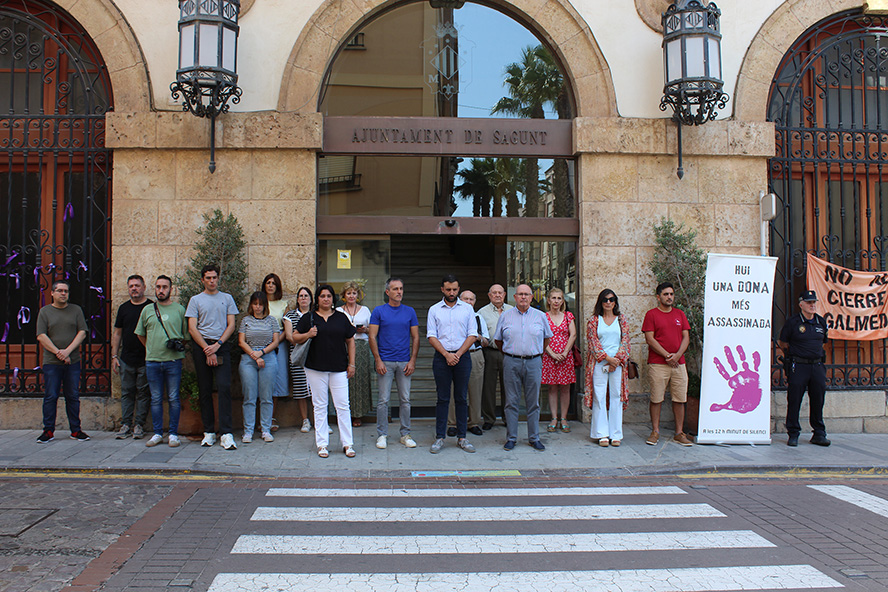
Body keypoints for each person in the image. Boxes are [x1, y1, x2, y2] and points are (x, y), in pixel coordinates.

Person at [293, 284, 357, 458]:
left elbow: (350, 340)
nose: (326, 299)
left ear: (333, 299)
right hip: (315, 368)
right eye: (322, 296)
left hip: (339, 368)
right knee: (320, 406)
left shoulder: (341, 317)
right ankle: (322, 444)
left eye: (329, 296)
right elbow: (294, 337)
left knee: (343, 405)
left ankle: (348, 444)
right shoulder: (309, 317)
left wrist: (352, 364)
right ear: (317, 298)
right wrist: (308, 334)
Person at [186, 264, 239, 450]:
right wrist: (207, 349)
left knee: (224, 387)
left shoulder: (227, 298)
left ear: (218, 278)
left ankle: (226, 433)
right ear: (202, 280)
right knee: (205, 389)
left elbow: (231, 325)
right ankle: (208, 432)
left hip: (221, 345)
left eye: (214, 277)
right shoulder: (195, 300)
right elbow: (192, 327)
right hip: (202, 346)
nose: (211, 281)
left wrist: (217, 346)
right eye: (208, 278)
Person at [495, 283, 553, 451]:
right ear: (514, 297)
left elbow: (547, 338)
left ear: (531, 297)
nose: (523, 297)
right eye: (520, 294)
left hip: (533, 361)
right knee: (511, 401)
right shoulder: (505, 316)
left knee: (533, 402)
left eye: (526, 294)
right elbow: (499, 340)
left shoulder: (540, 316)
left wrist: (534, 352)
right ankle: (511, 438)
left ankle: (534, 438)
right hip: (511, 361)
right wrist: (511, 352)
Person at [135, 275, 189, 448]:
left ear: (171, 289)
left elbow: (185, 336)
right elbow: (140, 334)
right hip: (152, 361)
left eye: (165, 287)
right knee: (156, 398)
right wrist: (151, 348)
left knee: (174, 397)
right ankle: (158, 433)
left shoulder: (179, 309)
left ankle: (173, 433)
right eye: (158, 287)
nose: (161, 290)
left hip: (173, 361)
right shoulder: (147, 310)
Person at [427, 274, 477, 454]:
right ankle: (440, 437)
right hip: (441, 357)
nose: (451, 292)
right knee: (442, 398)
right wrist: (447, 355)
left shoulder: (467, 309)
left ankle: (462, 437)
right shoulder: (434, 309)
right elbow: (431, 336)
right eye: (448, 289)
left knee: (462, 397)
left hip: (462, 357)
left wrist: (457, 354)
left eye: (455, 289)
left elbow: (473, 334)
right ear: (442, 289)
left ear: (458, 288)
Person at [368, 277, 419, 449]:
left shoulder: (410, 311)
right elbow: (372, 336)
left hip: (404, 361)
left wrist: (412, 360)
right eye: (395, 289)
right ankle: (382, 435)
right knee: (383, 400)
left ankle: (405, 434)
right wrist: (378, 360)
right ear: (387, 292)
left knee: (405, 400)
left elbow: (416, 337)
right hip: (386, 362)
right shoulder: (379, 311)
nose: (399, 292)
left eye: (401, 288)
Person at [36, 280, 89, 443]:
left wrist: (67, 352)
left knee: (72, 396)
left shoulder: (76, 310)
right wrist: (58, 353)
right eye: (59, 291)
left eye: (66, 291)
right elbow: (41, 336)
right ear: (52, 293)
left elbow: (82, 332)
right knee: (51, 396)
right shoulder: (45, 312)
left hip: (72, 362)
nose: (63, 293)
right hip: (51, 362)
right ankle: (48, 431)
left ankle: (76, 430)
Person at [642, 282, 692, 447]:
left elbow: (686, 337)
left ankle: (679, 432)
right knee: (656, 398)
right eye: (665, 294)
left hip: (679, 364)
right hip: (658, 364)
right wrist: (666, 355)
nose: (669, 297)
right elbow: (650, 338)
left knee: (679, 398)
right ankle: (655, 431)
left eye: (671, 294)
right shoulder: (652, 314)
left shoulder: (680, 314)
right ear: (658, 297)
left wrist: (677, 356)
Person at [778, 290, 830, 447]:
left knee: (818, 399)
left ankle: (819, 433)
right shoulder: (793, 322)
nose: (812, 305)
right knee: (794, 399)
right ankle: (793, 433)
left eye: (814, 302)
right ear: (801, 304)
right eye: (809, 302)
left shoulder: (820, 322)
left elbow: (823, 342)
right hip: (799, 365)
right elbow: (783, 343)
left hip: (817, 365)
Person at [585, 289, 631, 447]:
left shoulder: (621, 320)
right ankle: (601, 433)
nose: (608, 302)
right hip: (599, 363)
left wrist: (616, 360)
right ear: (600, 302)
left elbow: (625, 341)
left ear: (615, 302)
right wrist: (608, 359)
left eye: (611, 299)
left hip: (617, 364)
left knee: (616, 396)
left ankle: (616, 434)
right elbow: (593, 342)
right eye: (605, 300)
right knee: (599, 396)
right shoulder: (593, 320)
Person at [111, 275, 151, 440]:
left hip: (146, 359)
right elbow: (117, 333)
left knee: (143, 393)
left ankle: (139, 425)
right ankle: (126, 424)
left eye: (137, 285)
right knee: (127, 392)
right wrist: (114, 355)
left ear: (143, 287)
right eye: (131, 286)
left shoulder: (151, 307)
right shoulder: (123, 308)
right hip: (126, 358)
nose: (134, 288)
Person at [238, 291, 281, 443]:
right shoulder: (245, 320)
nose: (257, 307)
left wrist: (261, 353)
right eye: (255, 304)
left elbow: (275, 342)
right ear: (251, 305)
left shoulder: (272, 321)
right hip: (249, 359)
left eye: (260, 304)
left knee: (266, 397)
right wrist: (254, 355)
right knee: (249, 397)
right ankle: (248, 431)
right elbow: (241, 341)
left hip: (268, 358)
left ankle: (266, 429)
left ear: (265, 306)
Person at [447, 290, 487, 437]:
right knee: (452, 391)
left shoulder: (478, 318)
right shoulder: (453, 316)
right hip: (454, 355)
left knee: (475, 391)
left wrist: (478, 337)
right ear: (459, 300)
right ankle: (452, 423)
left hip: (474, 355)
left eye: (471, 299)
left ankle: (474, 423)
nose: (468, 302)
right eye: (465, 299)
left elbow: (486, 342)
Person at [337, 281, 372, 427]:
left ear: (358, 295)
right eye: (349, 293)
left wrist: (364, 330)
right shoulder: (338, 311)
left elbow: (373, 330)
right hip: (343, 347)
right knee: (344, 381)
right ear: (344, 295)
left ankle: (358, 414)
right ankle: (344, 413)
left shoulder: (365, 310)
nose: (352, 296)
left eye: (354, 293)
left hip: (362, 347)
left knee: (361, 381)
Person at [542, 288, 576, 433]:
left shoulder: (568, 316)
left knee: (565, 387)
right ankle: (554, 417)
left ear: (563, 301)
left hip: (565, 357)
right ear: (548, 300)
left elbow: (573, 334)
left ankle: (564, 418)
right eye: (554, 298)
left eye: (559, 298)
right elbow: (541, 336)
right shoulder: (543, 316)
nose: (556, 301)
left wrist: (564, 352)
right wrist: (552, 353)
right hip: (549, 356)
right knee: (552, 387)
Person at [479, 283, 513, 430]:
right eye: (494, 293)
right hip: (490, 352)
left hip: (509, 353)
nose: (497, 295)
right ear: (489, 295)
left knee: (510, 387)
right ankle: (489, 419)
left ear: (505, 294)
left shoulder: (513, 310)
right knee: (488, 387)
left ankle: (508, 418)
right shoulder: (482, 313)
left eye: (500, 292)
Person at [283, 286, 314, 432]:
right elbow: (290, 336)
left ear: (311, 299)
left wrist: (302, 338)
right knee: (301, 389)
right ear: (297, 299)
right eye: (301, 296)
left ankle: (320, 421)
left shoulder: (316, 314)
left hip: (315, 356)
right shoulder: (290, 315)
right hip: (297, 356)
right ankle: (305, 420)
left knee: (316, 389)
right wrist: (306, 338)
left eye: (306, 296)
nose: (303, 298)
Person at [262, 273, 289, 432]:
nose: (271, 285)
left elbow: (287, 327)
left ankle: (271, 417)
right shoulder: (259, 302)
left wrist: (276, 342)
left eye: (274, 283)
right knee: (262, 379)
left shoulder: (283, 304)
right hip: (261, 343)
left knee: (277, 379)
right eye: (268, 282)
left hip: (279, 342)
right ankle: (261, 418)